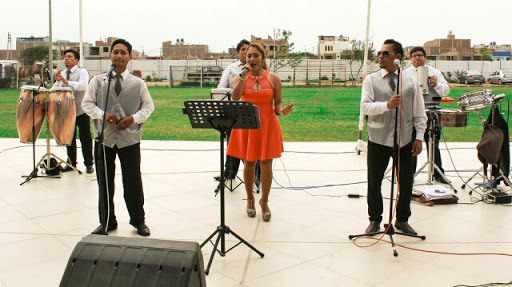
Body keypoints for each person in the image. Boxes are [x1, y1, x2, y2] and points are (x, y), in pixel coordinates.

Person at [82, 39, 155, 236]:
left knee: (132, 182)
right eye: (116, 52)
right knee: (104, 183)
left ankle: (138, 221)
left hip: (129, 140)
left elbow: (148, 107)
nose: (119, 56)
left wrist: (134, 118)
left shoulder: (138, 83)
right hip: (103, 139)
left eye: (123, 53)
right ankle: (107, 221)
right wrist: (102, 115)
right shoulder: (98, 80)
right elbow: (87, 104)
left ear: (130, 57)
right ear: (110, 55)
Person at [360, 39, 427, 235]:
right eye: (379, 53)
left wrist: (419, 136)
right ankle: (374, 219)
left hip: (405, 139)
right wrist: (386, 105)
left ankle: (402, 220)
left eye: (385, 53)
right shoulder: (371, 80)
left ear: (397, 57)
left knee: (406, 182)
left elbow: (419, 110)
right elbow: (365, 107)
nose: (380, 56)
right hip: (378, 138)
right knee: (374, 181)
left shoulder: (410, 80)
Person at [227, 44, 294, 221]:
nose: (251, 59)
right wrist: (243, 77)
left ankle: (264, 201)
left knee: (266, 164)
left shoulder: (273, 79)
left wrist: (281, 111)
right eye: (249, 56)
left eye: (255, 56)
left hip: (267, 125)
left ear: (263, 58)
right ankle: (250, 200)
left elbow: (278, 103)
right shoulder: (240, 77)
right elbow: (235, 98)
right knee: (248, 163)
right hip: (247, 125)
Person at [404, 47, 451, 184]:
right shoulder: (406, 74)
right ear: (411, 59)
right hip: (413, 113)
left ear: (425, 58)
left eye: (419, 55)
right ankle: (409, 174)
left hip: (431, 111)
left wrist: (436, 85)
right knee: (412, 143)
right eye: (414, 56)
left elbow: (446, 90)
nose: (417, 58)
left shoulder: (434, 72)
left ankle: (438, 173)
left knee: (433, 143)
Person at [53, 49, 94, 173]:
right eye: (65, 57)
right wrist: (58, 82)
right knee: (69, 138)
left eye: (69, 56)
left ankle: (88, 163)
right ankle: (71, 163)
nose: (66, 59)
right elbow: (56, 89)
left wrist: (66, 82)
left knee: (85, 137)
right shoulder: (62, 74)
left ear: (76, 60)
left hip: (81, 110)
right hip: (67, 111)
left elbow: (83, 86)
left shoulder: (82, 72)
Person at [216, 39, 250, 181]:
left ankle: (256, 175)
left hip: (249, 113)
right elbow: (221, 89)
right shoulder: (231, 68)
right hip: (233, 111)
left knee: (250, 145)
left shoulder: (258, 68)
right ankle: (229, 172)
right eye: (243, 49)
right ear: (237, 53)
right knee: (232, 143)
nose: (246, 52)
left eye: (248, 49)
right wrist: (236, 91)